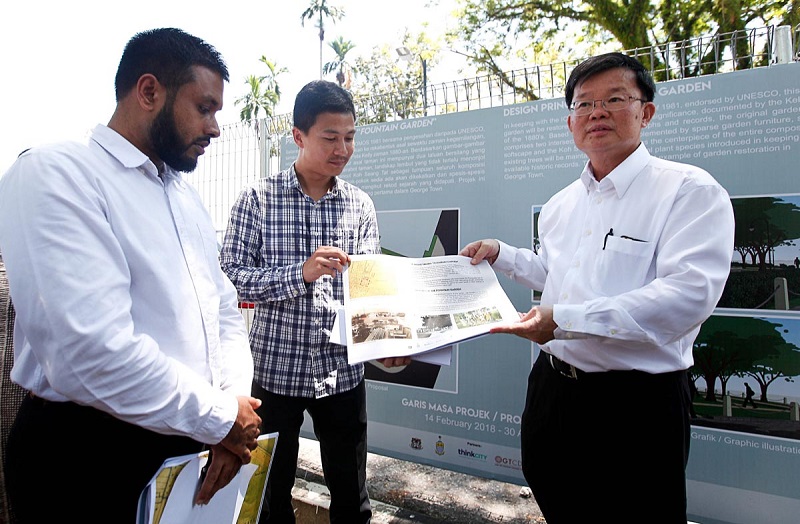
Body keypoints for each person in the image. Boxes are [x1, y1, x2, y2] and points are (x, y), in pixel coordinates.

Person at [0, 28, 262, 523]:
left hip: (191, 442)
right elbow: (90, 353)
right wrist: (222, 417)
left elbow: (223, 308)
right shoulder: (57, 173)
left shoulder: (183, 195)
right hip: (85, 458)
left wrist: (230, 414)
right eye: (204, 108)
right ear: (148, 91)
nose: (215, 128)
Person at [460, 52, 734, 523]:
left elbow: (687, 296)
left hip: (636, 404)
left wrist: (562, 320)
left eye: (614, 99)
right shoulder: (562, 204)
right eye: (584, 104)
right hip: (552, 388)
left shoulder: (689, 191)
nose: (597, 113)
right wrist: (502, 254)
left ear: (645, 112)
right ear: (571, 123)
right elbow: (559, 275)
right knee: (557, 497)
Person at [220, 79, 409, 524]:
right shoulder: (257, 200)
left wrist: (388, 342)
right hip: (273, 372)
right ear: (298, 136)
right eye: (330, 137)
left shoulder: (359, 205)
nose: (342, 148)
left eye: (350, 137)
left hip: (341, 372)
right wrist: (300, 274)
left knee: (351, 493)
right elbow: (230, 280)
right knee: (270, 491)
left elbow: (369, 288)